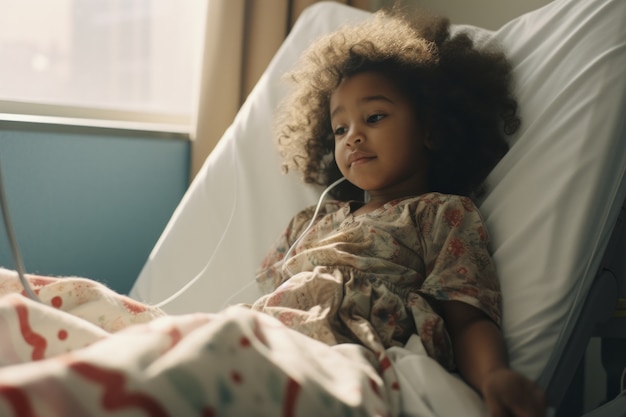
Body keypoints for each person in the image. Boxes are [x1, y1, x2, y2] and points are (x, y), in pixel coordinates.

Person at [250, 8, 547, 417]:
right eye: (340, 129)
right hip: (271, 342)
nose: (353, 135)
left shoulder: (442, 215)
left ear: (430, 127)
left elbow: (466, 320)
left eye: (374, 117)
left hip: (347, 355)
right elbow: (269, 296)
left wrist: (493, 374)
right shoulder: (311, 221)